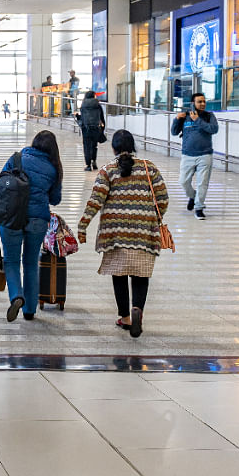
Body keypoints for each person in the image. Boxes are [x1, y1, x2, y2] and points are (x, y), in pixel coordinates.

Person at [76, 130, 168, 338]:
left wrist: (83, 226)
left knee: (119, 273)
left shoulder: (108, 170)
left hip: (114, 232)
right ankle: (138, 309)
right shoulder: (149, 168)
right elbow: (162, 198)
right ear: (133, 146)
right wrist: (153, 216)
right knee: (140, 273)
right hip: (144, 231)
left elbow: (95, 201)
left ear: (113, 148)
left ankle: (125, 317)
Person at [0, 130, 63, 323]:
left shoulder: (17, 159)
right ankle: (30, 310)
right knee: (31, 263)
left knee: (11, 261)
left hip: (11, 217)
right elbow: (55, 199)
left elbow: (1, 186)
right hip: (38, 220)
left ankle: (17, 296)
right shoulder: (53, 167)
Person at [171, 92, 218, 220]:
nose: (202, 104)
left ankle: (199, 207)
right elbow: (174, 132)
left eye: (204, 101)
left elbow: (214, 129)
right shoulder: (185, 117)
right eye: (199, 102)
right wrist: (176, 119)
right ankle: (193, 196)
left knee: (202, 183)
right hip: (187, 155)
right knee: (183, 182)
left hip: (205, 155)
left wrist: (197, 120)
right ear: (193, 103)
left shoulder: (209, 116)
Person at [76, 90, 106, 171]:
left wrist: (77, 116)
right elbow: (102, 118)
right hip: (96, 128)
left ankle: (88, 165)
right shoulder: (97, 105)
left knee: (87, 146)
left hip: (86, 129)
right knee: (94, 146)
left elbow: (82, 118)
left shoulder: (83, 105)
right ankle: (94, 162)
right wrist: (102, 129)